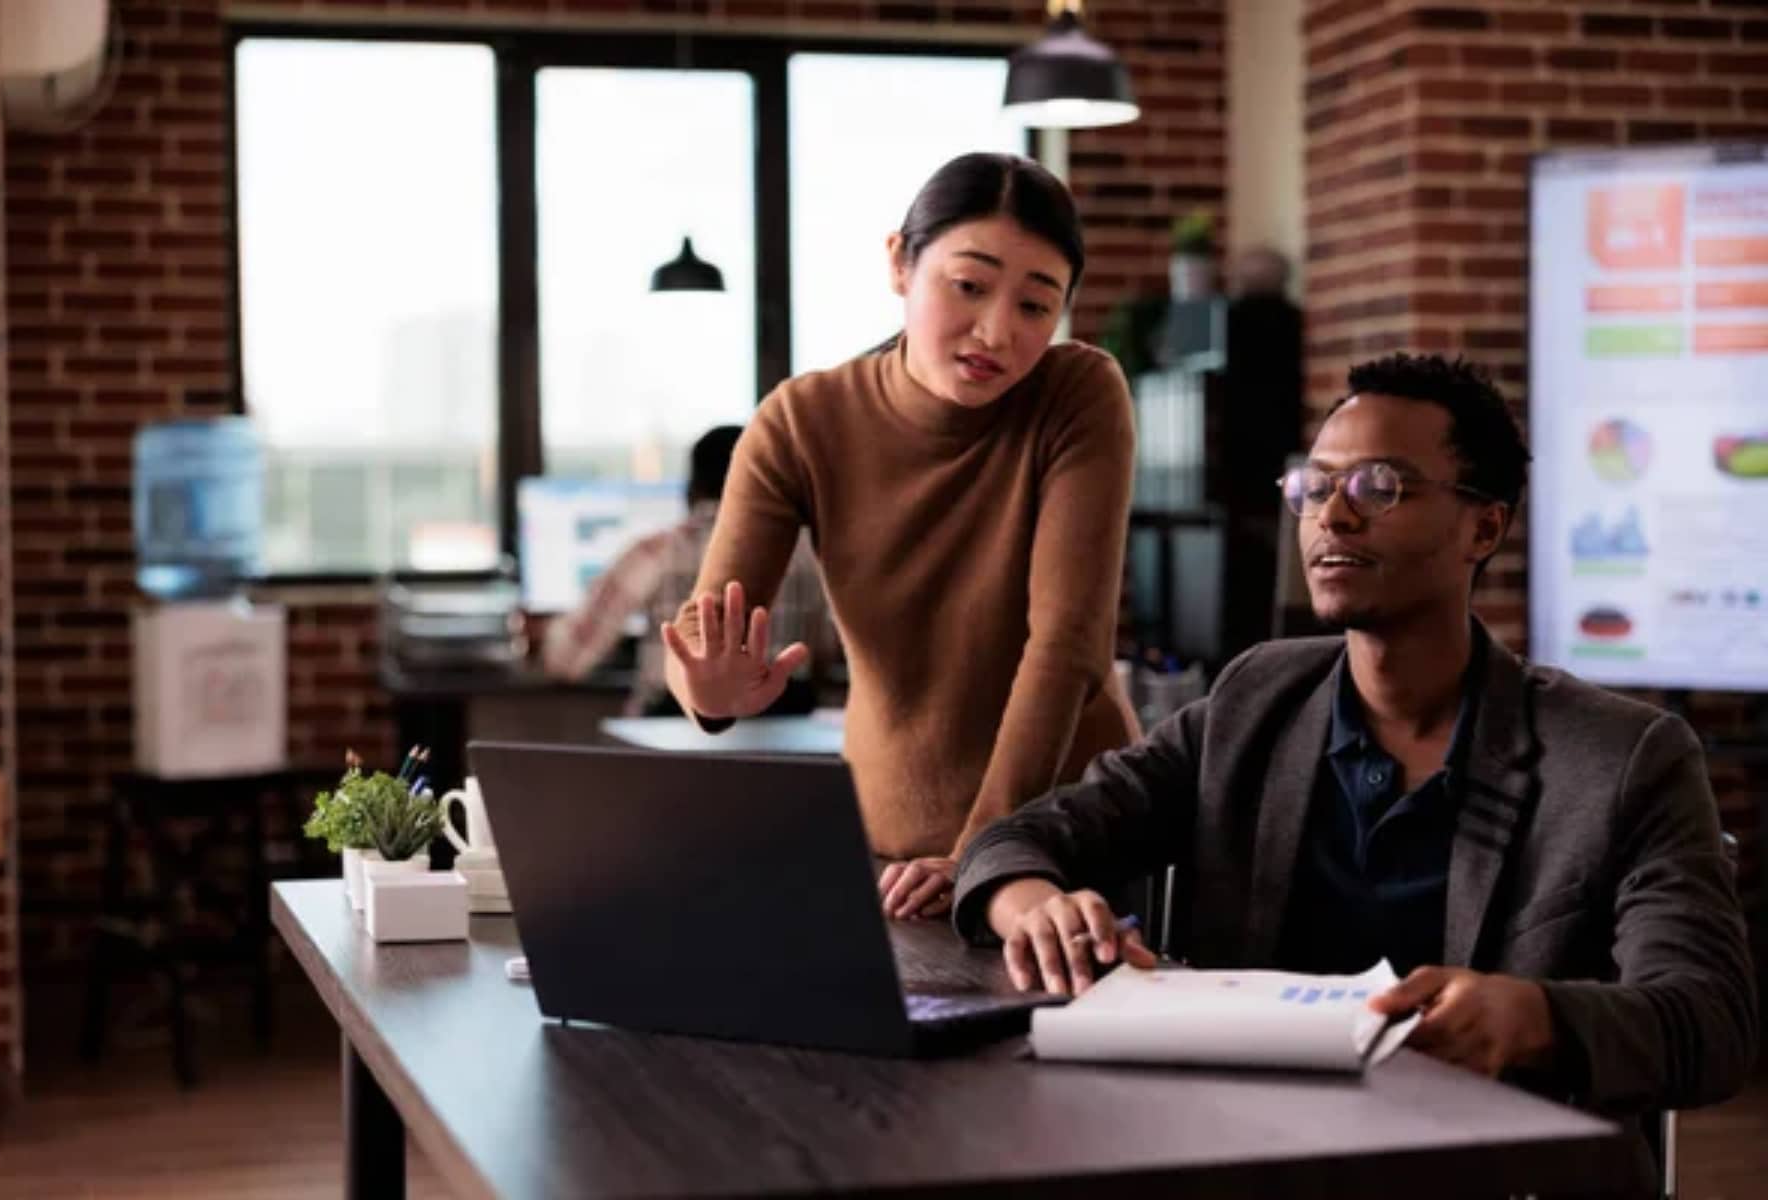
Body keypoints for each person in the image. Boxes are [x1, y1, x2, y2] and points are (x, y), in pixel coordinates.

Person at [952, 353, 1756, 1185]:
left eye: (1380, 487)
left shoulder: (1624, 758)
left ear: (1484, 527)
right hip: (1251, 1155)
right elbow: (1016, 840)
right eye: (1315, 485)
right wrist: (1033, 906)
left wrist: (1536, 1017)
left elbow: (1711, 1021)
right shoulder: (1256, 698)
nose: (1332, 516)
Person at [660, 152, 1141, 920]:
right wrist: (706, 690)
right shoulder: (801, 421)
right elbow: (703, 631)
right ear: (900, 263)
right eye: (970, 285)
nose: (997, 330)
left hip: (1063, 846)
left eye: (1034, 305)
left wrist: (984, 850)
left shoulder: (1077, 394)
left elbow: (1068, 644)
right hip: (893, 860)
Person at [542, 425, 831, 718]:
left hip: (670, 742)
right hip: (787, 745)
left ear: (693, 486)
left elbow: (567, 660)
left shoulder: (655, 553)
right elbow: (822, 654)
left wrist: (541, 634)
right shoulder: (810, 554)